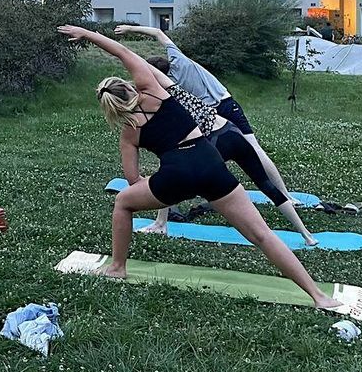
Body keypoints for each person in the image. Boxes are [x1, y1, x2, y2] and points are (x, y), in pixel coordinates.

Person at [57, 25, 342, 313]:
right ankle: (319, 296)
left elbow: (132, 180)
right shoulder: (152, 88)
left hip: (174, 177)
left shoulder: (129, 132)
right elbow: (122, 51)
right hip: (210, 163)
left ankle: (118, 266)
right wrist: (87, 34)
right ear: (128, 86)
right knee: (262, 235)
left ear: (111, 109)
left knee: (122, 203)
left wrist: (149, 183)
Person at [112, 24, 317, 244]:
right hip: (231, 130)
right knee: (265, 184)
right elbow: (140, 60)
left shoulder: (167, 105)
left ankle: (161, 223)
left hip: (213, 141)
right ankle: (306, 234)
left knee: (170, 173)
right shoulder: (174, 84)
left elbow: (141, 69)